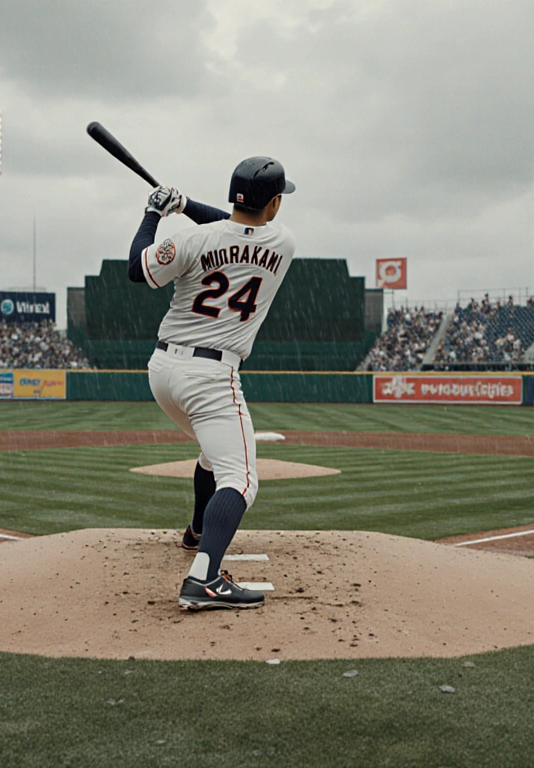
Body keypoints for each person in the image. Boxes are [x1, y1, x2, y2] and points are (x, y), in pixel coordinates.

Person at [128, 156, 296, 610]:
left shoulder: (193, 239)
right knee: (240, 479)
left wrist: (156, 213)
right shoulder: (283, 243)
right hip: (212, 375)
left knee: (213, 452)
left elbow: (137, 268)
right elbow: (237, 230)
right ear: (274, 204)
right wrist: (184, 205)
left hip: (163, 372)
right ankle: (204, 579)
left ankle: (200, 529)